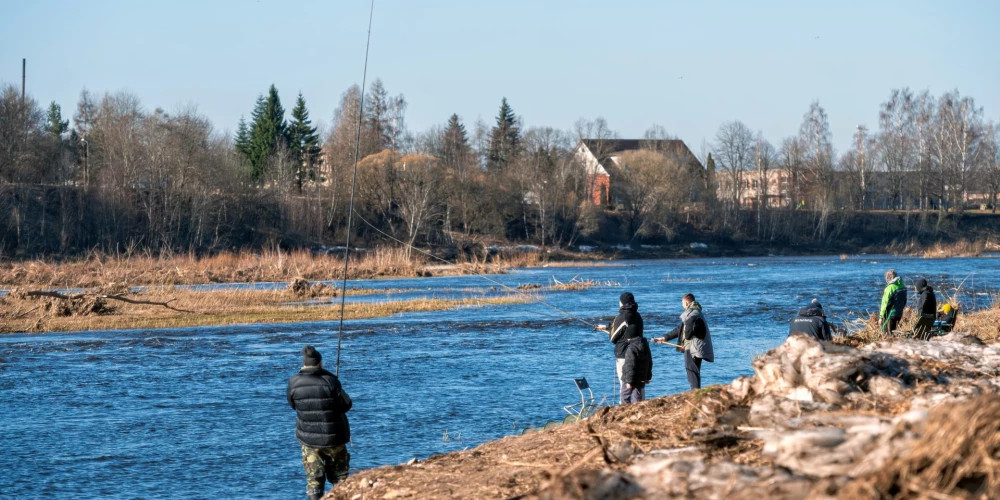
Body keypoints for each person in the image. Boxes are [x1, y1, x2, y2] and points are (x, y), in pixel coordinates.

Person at [287, 346, 353, 500]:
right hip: (335, 439)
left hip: (309, 441)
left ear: (304, 363)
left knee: (314, 481)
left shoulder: (293, 382)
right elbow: (346, 405)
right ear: (320, 363)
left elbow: (292, 404)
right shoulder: (331, 381)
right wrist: (334, 383)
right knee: (340, 479)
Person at [657, 293, 714, 390]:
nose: (682, 305)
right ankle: (697, 393)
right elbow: (681, 328)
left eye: (682, 303)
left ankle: (695, 394)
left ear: (687, 303)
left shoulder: (691, 313)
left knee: (692, 373)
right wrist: (666, 337)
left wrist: (686, 340)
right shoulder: (697, 312)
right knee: (695, 373)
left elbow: (687, 331)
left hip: (691, 349)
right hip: (697, 348)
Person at [608, 292, 645, 403]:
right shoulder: (638, 316)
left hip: (624, 355)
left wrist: (611, 329)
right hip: (639, 353)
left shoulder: (622, 316)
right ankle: (640, 407)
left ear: (622, 303)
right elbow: (629, 329)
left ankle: (624, 409)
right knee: (638, 384)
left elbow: (613, 338)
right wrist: (609, 326)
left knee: (625, 385)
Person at [619, 322, 653, 404]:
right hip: (641, 377)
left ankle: (625, 413)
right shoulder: (645, 345)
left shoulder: (631, 348)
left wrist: (629, 381)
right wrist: (648, 376)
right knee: (637, 398)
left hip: (630, 379)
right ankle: (638, 413)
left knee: (624, 396)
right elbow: (649, 361)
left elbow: (630, 365)